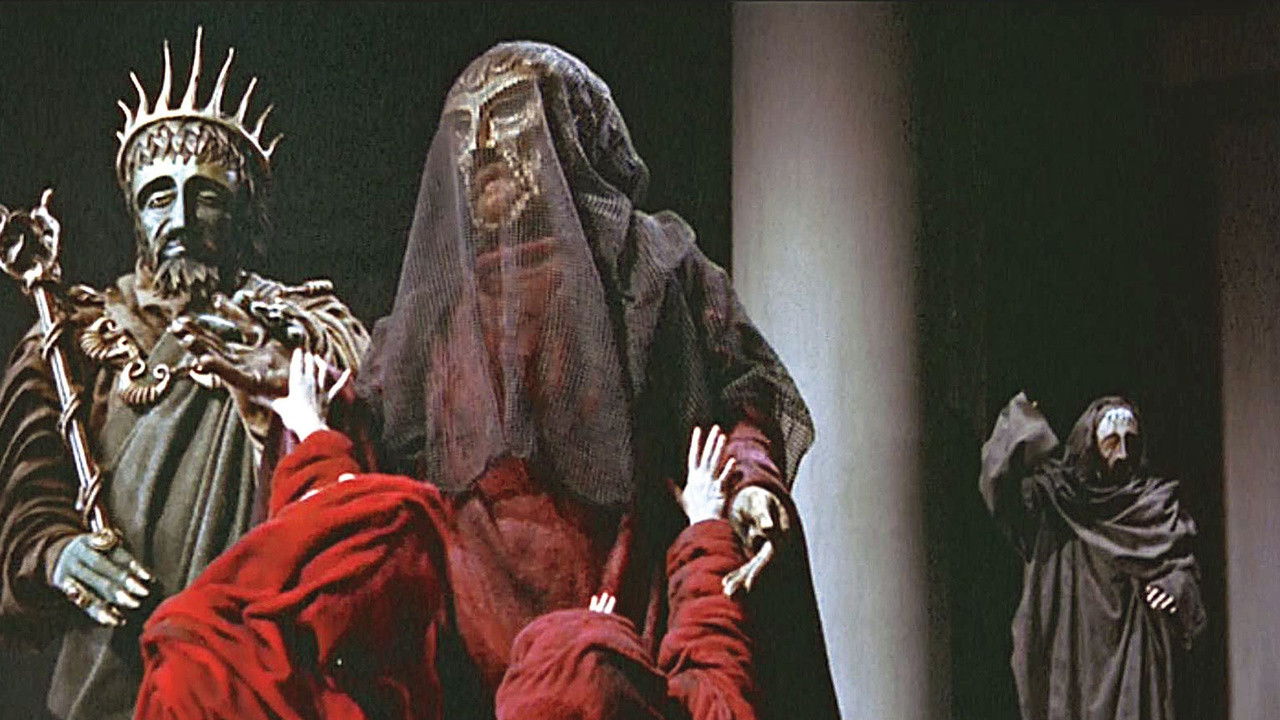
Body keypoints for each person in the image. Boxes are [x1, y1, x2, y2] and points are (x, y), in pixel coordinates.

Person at [355, 41, 838, 720]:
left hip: (631, 591)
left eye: (509, 117)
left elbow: (741, 392)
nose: (484, 148)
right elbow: (369, 443)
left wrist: (753, 479)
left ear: (568, 130)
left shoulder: (652, 267)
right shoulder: (434, 312)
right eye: (466, 130)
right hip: (473, 621)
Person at [0, 29, 368, 720]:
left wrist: (273, 356)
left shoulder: (302, 321)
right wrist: (58, 552)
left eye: (206, 196)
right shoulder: (72, 336)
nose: (179, 218)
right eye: (157, 197)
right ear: (135, 216)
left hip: (253, 663)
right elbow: (29, 493)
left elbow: (351, 411)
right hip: (114, 663)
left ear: (242, 214)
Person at [135, 350, 758, 720]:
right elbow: (716, 677)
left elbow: (326, 566)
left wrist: (311, 432)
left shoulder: (205, 666)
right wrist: (702, 530)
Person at [980, 392, 1206, 720]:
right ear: (1090, 445)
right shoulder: (1060, 501)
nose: (1123, 453)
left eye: (1131, 441)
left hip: (1135, 655)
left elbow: (1183, 570)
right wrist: (1023, 419)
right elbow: (1000, 491)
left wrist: (1175, 588)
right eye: (1111, 442)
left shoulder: (1154, 506)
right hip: (1075, 653)